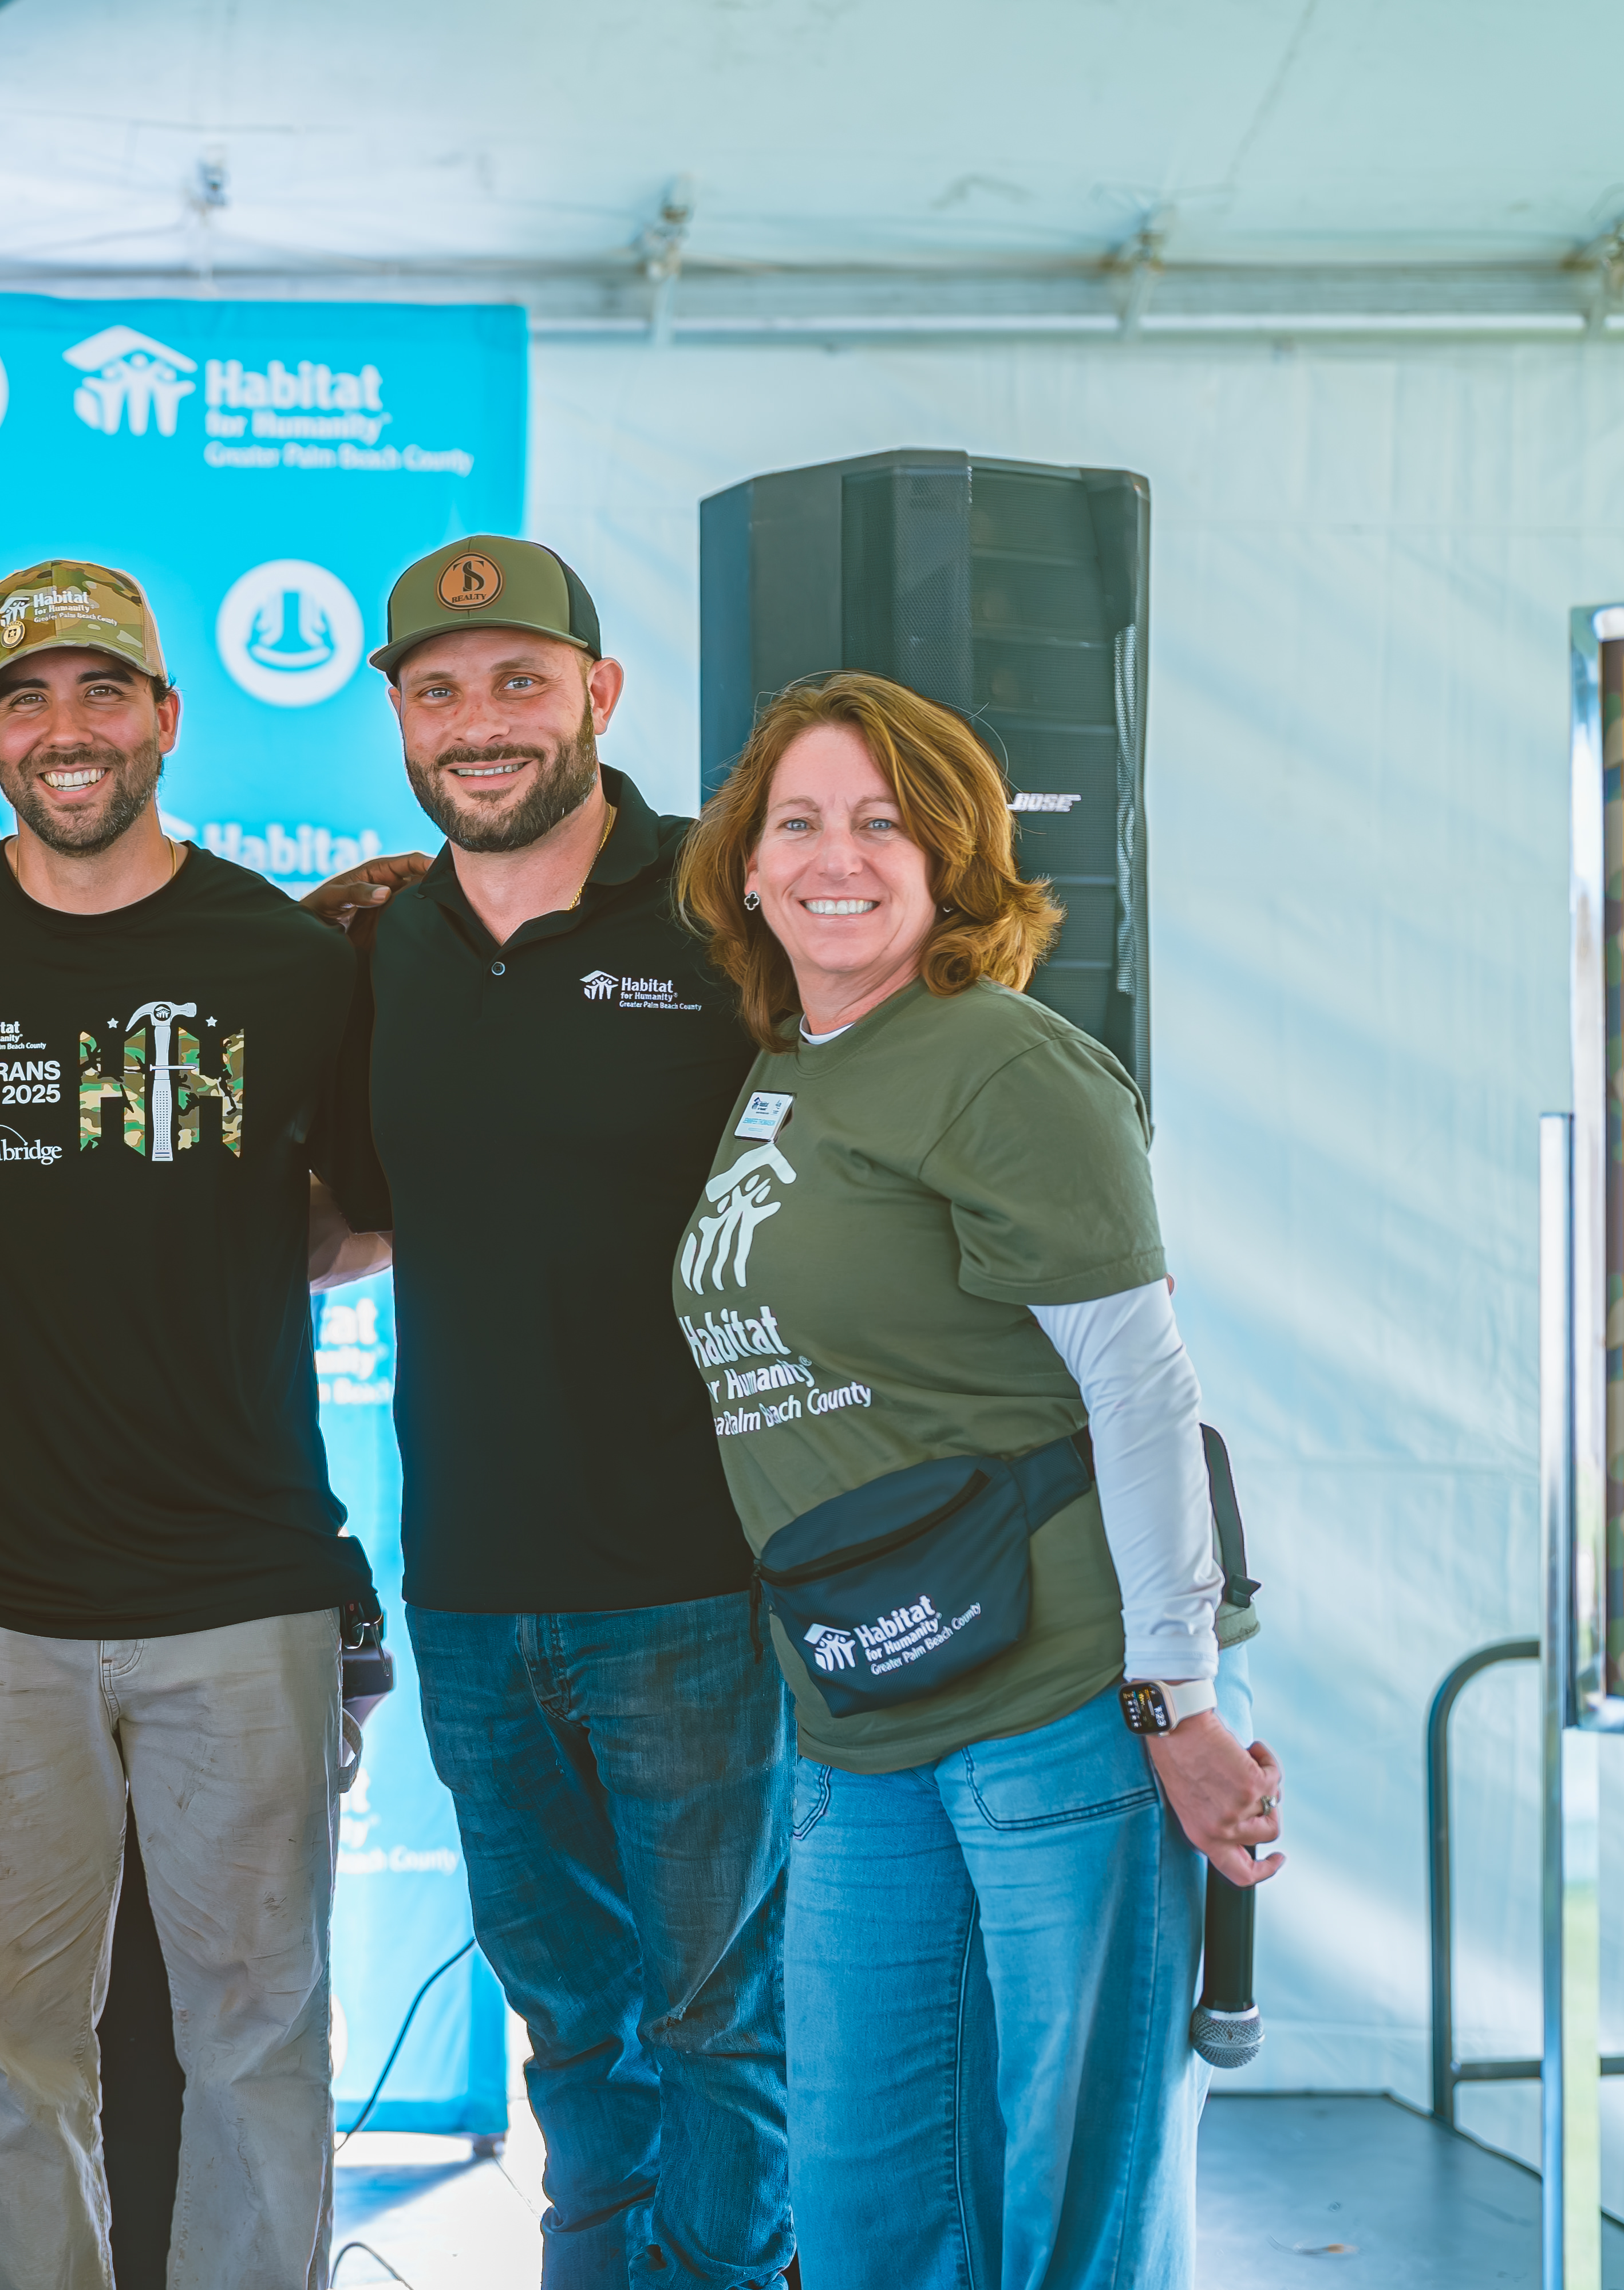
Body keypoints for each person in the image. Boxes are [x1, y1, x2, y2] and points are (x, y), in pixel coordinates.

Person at [667, 670, 1279, 2289]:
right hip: (863, 1712)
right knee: (866, 2202)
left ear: (953, 862)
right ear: (746, 864)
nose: (837, 856)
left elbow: (1142, 1391)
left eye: (884, 822)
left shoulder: (1001, 1063)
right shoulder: (796, 1064)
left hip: (1057, 1697)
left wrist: (1176, 1697)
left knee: (1068, 2205)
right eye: (799, 821)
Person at [0, 560, 384, 2290]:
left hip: (243, 1587)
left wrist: (255, 1243)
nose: (65, 731)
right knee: (10, 2048)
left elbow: (371, 1211)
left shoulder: (287, 958)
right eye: (27, 699)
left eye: (100, 693)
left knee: (259, 2035)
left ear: (166, 713)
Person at [300, 538, 792, 2289]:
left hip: (698, 1587)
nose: (480, 722)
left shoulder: (733, 911)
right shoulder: (383, 946)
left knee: (723, 2029)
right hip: (473, 1589)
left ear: (600, 693)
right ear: (400, 721)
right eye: (439, 691)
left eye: (520, 680)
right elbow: (352, 1228)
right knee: (575, 2032)